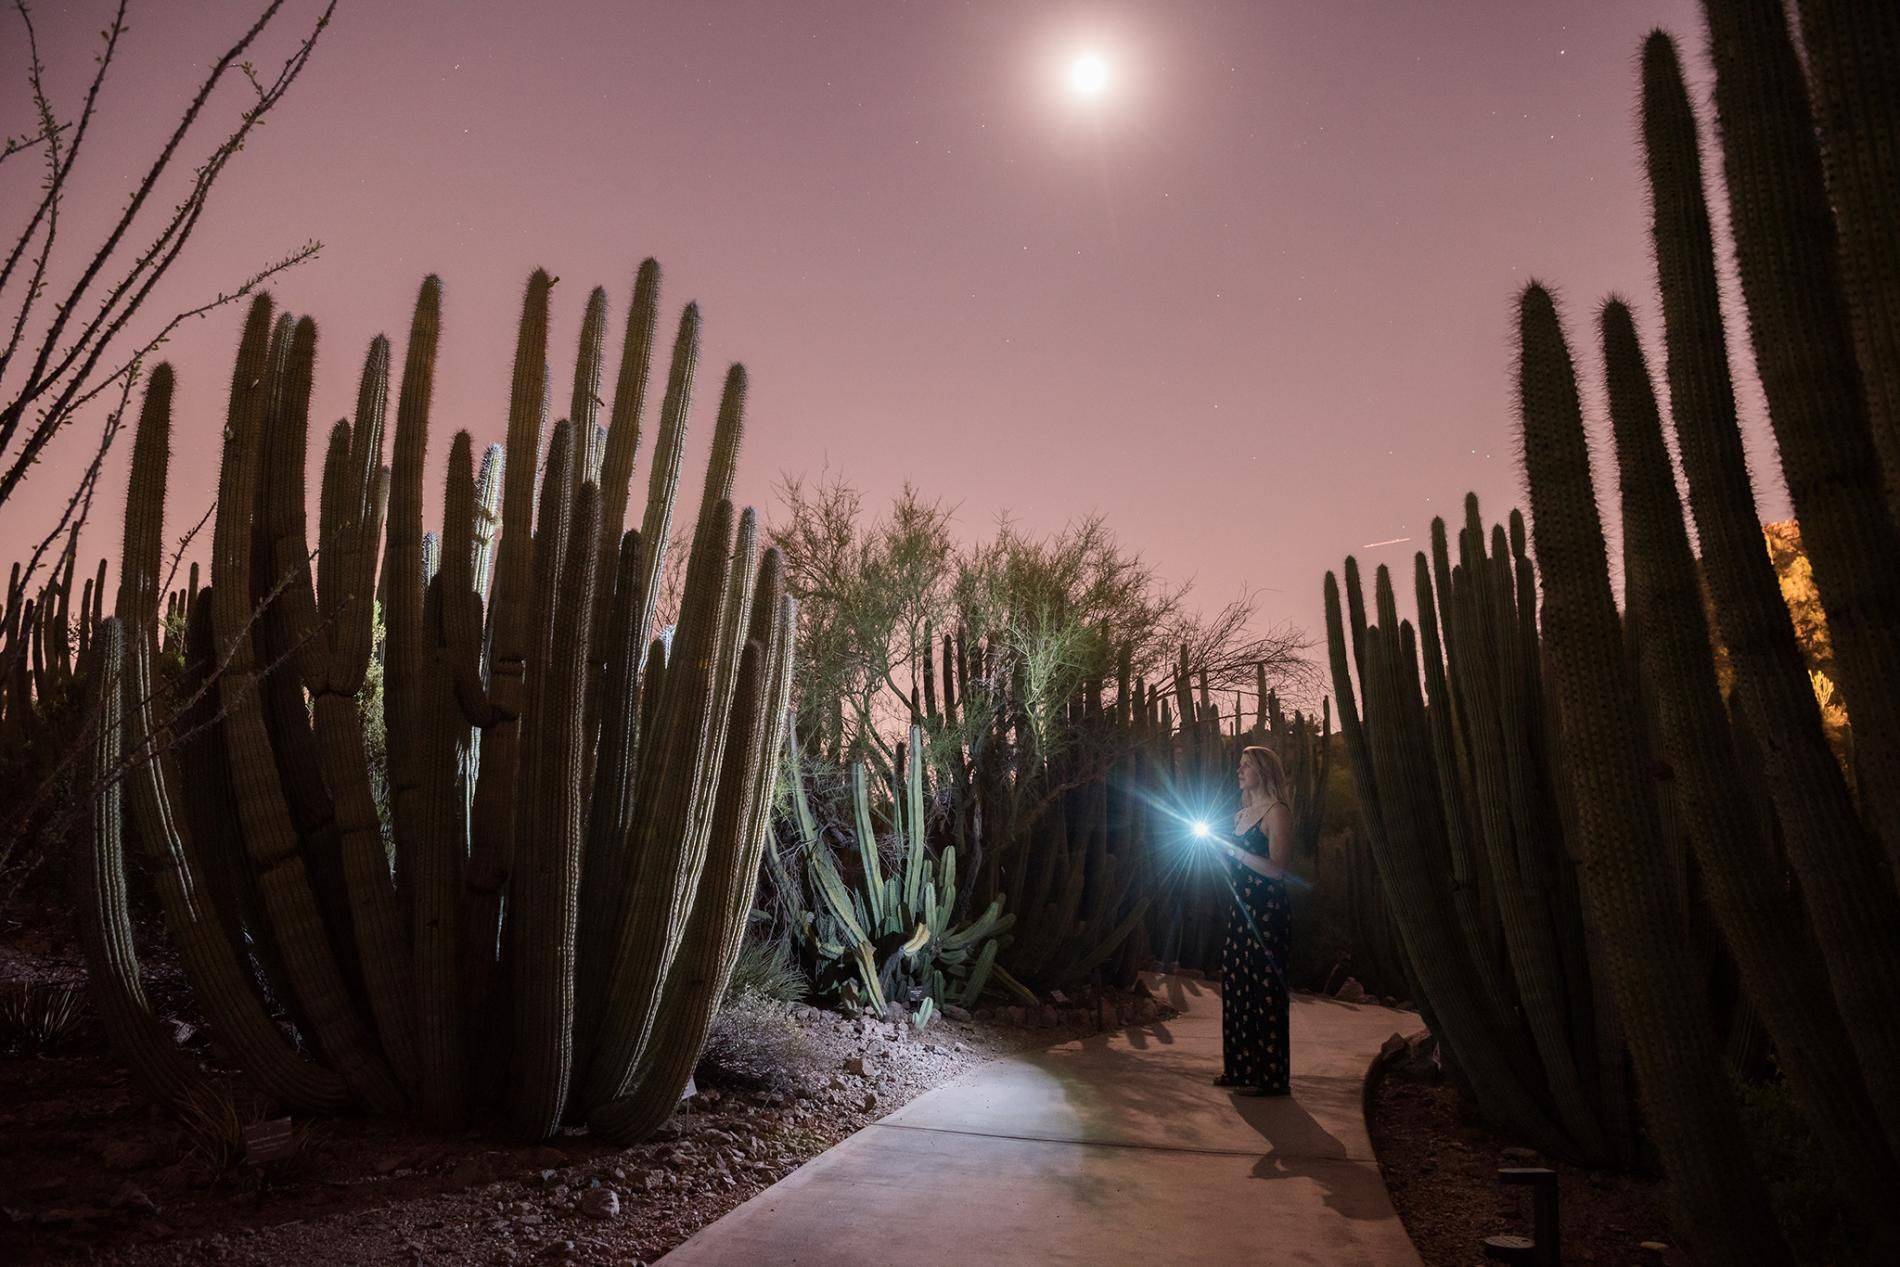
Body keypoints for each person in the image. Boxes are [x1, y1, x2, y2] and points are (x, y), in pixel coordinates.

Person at [1208, 745, 1293, 1096]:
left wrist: (1235, 851)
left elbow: (1277, 868)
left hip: (1267, 911)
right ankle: (1240, 1068)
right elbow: (1234, 866)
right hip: (1240, 909)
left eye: (1246, 765)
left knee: (1265, 990)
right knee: (1237, 984)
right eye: (1239, 765)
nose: (1239, 771)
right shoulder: (1239, 815)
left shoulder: (1277, 812)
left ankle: (1271, 1076)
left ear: (1263, 770)